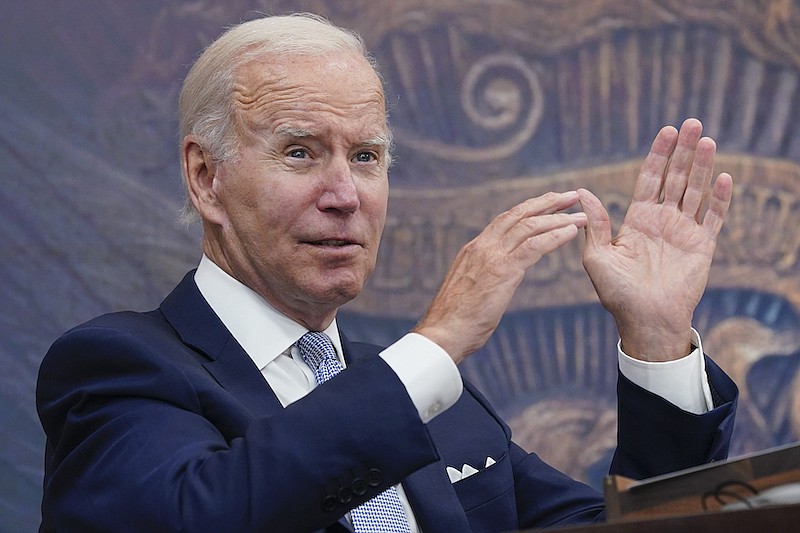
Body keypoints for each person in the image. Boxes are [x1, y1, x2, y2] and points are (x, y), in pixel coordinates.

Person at [36, 12, 737, 533]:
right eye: (302, 152)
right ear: (205, 177)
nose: (346, 194)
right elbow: (199, 515)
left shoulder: (440, 398)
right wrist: (437, 344)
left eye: (366, 156)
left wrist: (657, 339)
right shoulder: (117, 370)